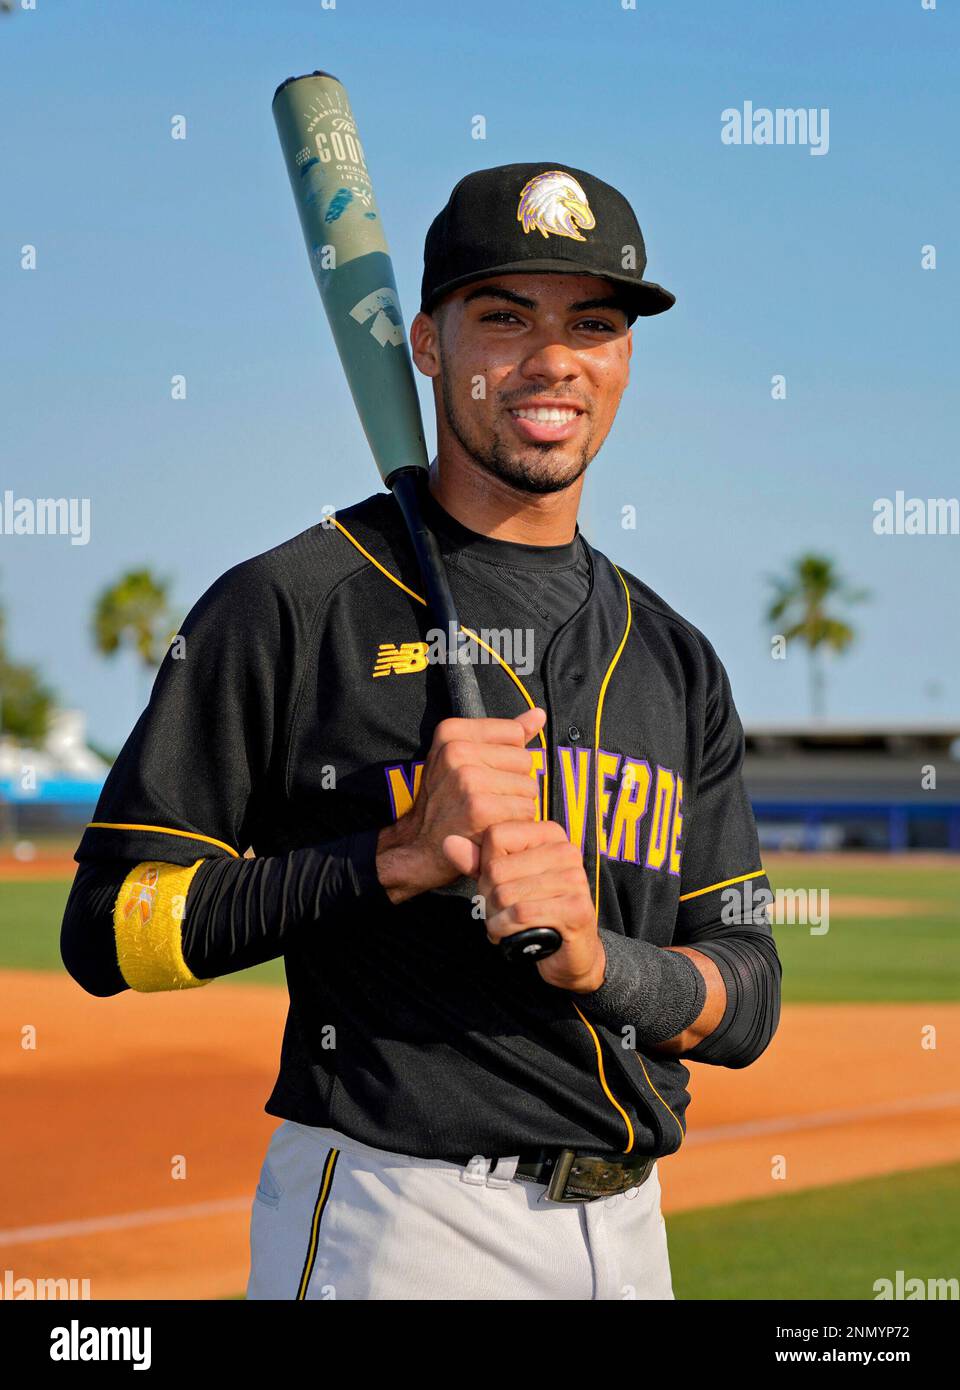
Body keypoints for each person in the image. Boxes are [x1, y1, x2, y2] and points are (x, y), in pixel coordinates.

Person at [61, 162, 781, 1301]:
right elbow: (108, 930)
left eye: (592, 324)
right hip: (397, 1222)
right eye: (505, 317)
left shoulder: (674, 656)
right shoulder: (296, 603)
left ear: (624, 361)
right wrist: (391, 858)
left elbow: (749, 991)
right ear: (429, 346)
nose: (552, 359)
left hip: (635, 1234)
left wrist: (605, 966)